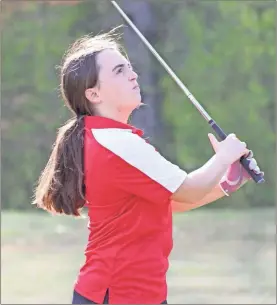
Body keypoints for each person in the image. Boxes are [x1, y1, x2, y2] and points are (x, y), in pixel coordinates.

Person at [32, 28, 263, 305]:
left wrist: (228, 182)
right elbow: (188, 190)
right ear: (93, 93)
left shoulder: (110, 138)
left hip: (135, 293)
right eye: (119, 71)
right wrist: (224, 157)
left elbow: (169, 201)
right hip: (118, 293)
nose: (133, 75)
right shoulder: (116, 143)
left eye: (129, 67)